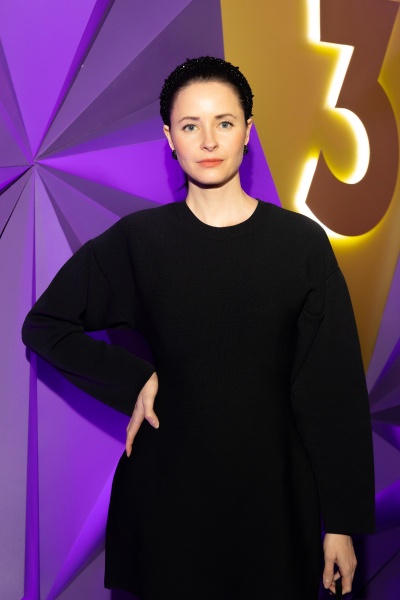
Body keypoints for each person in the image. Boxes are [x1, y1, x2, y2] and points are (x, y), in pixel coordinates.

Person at [22, 56, 375, 599]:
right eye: (190, 126)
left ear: (248, 131)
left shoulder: (300, 245)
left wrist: (342, 522)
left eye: (224, 122)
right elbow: (45, 324)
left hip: (274, 507)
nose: (208, 140)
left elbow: (333, 392)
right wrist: (134, 378)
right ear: (170, 138)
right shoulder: (139, 242)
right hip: (167, 507)